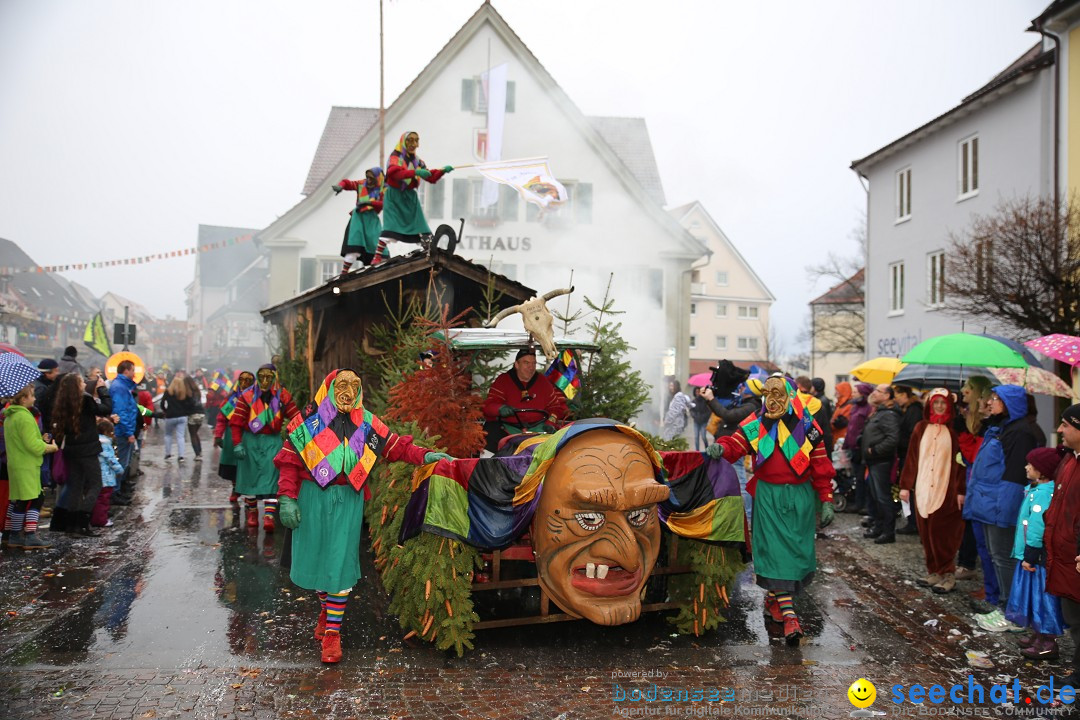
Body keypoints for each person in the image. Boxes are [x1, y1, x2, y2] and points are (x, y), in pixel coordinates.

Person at [274, 369, 453, 663]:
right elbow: (288, 462)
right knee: (321, 564)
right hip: (312, 500)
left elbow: (395, 446)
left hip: (348, 501)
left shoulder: (367, 424)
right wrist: (286, 499)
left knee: (340, 566)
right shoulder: (307, 421)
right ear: (329, 388)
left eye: (354, 385)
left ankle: (332, 635)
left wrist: (425, 455)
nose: (347, 391)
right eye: (341, 385)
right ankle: (325, 609)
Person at [707, 374, 835, 644]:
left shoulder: (807, 427)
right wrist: (722, 447)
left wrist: (826, 498)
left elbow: (821, 464)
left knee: (796, 558)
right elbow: (736, 443)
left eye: (779, 395)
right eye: (768, 395)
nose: (772, 401)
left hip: (799, 499)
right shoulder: (756, 424)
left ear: (790, 396)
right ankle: (790, 617)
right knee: (775, 555)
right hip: (767, 498)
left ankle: (777, 601)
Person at [965, 385, 1042, 632]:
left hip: (1000, 505)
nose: (990, 402)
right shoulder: (1003, 427)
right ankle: (1004, 606)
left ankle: (1013, 612)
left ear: (1009, 403)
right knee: (995, 555)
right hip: (990, 502)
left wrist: (1004, 510)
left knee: (1004, 557)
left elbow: (1014, 476)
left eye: (996, 399)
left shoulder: (1020, 432)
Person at [899, 388, 965, 593]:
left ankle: (948, 573)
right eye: (935, 403)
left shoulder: (955, 430)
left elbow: (961, 463)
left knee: (943, 532)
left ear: (949, 405)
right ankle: (933, 570)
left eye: (943, 403)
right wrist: (905, 485)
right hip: (923, 487)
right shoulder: (920, 428)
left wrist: (960, 489)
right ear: (929, 405)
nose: (939, 407)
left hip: (946, 488)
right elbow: (911, 457)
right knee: (926, 531)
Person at [1003, 447, 1064, 660]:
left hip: (1036, 557)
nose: (1026, 467)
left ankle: (1048, 641)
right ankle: (1038, 634)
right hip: (1029, 555)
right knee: (1032, 596)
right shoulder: (1035, 490)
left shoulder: (1044, 495)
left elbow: (1037, 527)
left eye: (1031, 465)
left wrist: (1030, 554)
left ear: (1044, 471)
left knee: (1042, 598)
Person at [230, 364, 300, 532]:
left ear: (274, 377)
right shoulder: (246, 397)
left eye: (269, 377)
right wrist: (237, 443)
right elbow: (236, 422)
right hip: (250, 442)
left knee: (272, 479)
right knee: (250, 479)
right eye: (261, 376)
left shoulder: (283, 395)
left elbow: (296, 417)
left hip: (272, 441)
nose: (265, 380)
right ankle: (252, 513)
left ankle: (268, 516)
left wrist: (301, 435)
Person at [1043, 404, 1080, 686]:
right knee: (1073, 619)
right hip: (1065, 552)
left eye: (1066, 425)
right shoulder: (1069, 459)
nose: (1059, 430)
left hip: (1075, 554)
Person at [373, 131, 452, 261]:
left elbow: (430, 177)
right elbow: (394, 173)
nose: (413, 144)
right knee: (390, 227)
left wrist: (442, 170)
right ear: (403, 141)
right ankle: (376, 258)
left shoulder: (418, 161)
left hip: (410, 198)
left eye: (416, 140)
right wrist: (415, 172)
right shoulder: (395, 157)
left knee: (422, 229)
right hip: (394, 196)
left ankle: (430, 255)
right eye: (410, 140)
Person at [51, 372, 113, 536]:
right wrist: (102, 390)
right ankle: (83, 522)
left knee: (76, 487)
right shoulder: (85, 399)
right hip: (88, 449)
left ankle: (72, 526)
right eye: (81, 381)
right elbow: (106, 409)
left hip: (72, 449)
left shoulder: (64, 401)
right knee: (96, 484)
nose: (85, 383)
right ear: (76, 386)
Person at [4, 384, 59, 549]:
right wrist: (50, 447)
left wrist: (39, 438)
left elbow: (23, 440)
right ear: (23, 399)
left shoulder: (9, 416)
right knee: (34, 498)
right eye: (32, 396)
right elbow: (32, 446)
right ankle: (29, 535)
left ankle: (11, 534)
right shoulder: (25, 417)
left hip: (15, 463)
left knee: (18, 499)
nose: (34, 399)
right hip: (27, 464)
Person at [481, 348, 569, 452]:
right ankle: (493, 465)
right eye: (526, 363)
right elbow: (488, 406)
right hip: (508, 429)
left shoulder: (543, 382)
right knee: (489, 433)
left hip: (538, 429)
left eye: (533, 363)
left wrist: (551, 423)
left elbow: (556, 408)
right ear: (517, 365)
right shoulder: (503, 381)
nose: (531, 367)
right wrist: (500, 409)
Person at [956, 375, 997, 587]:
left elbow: (974, 454)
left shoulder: (989, 425)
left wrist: (965, 431)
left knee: (981, 532)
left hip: (982, 482)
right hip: (973, 477)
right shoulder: (969, 418)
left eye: (968, 390)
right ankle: (967, 562)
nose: (964, 392)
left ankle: (969, 564)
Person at [703, 380, 763, 519]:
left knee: (741, 482)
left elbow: (728, 415)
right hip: (729, 447)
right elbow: (723, 410)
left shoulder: (751, 407)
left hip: (736, 447)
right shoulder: (743, 403)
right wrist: (711, 399)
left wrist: (711, 399)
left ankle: (747, 515)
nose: (741, 388)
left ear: (750, 391)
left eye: (744, 387)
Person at [861, 384, 902, 544]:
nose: (874, 393)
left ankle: (888, 531)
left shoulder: (888, 414)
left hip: (881, 461)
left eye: (878, 391)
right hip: (873, 461)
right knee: (875, 497)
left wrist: (875, 450)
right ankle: (878, 527)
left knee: (883, 497)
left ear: (887, 396)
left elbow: (893, 438)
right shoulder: (879, 412)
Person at [333, 167, 386, 273]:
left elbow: (384, 204)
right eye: (368, 178)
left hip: (372, 220)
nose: (369, 180)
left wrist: (369, 203)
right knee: (354, 245)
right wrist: (340, 186)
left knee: (376, 244)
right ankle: (344, 272)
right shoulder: (362, 184)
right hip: (359, 218)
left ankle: (379, 269)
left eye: (371, 178)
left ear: (378, 178)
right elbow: (347, 183)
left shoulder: (384, 189)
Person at [214, 371, 254, 503]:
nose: (244, 383)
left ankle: (248, 491)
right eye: (242, 380)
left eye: (248, 380)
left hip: (250, 435)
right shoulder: (230, 399)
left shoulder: (256, 398)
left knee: (248, 465)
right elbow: (221, 419)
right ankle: (235, 488)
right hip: (232, 436)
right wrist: (218, 435)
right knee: (233, 465)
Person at [894, 385, 925, 536]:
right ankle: (911, 520)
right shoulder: (909, 409)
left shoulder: (914, 410)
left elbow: (913, 434)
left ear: (905, 395)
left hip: (909, 454)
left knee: (910, 488)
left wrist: (901, 442)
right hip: (905, 452)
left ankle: (913, 522)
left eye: (898, 394)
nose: (896, 398)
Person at [842, 383, 874, 514]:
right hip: (852, 447)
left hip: (861, 447)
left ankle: (864, 504)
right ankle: (858, 502)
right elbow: (851, 428)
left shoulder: (868, 408)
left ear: (863, 394)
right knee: (857, 477)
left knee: (862, 478)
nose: (853, 394)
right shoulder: (855, 407)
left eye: (855, 392)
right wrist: (845, 444)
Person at [109, 360, 140, 488]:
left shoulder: (122, 386)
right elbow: (121, 411)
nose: (134, 373)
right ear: (126, 370)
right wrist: (128, 432)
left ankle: (120, 488)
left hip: (125, 430)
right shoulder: (120, 387)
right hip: (123, 431)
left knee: (124, 462)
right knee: (122, 462)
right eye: (133, 370)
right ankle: (116, 490)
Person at [92, 419, 124, 528]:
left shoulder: (95, 441)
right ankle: (101, 520)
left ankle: (97, 518)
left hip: (97, 475)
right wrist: (119, 469)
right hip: (106, 477)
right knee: (103, 499)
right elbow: (111, 459)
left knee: (98, 499)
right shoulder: (105, 444)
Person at [161, 374, 196, 463]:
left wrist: (165, 411)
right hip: (182, 416)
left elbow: (162, 403)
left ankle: (168, 454)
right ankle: (181, 456)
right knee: (180, 436)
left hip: (170, 416)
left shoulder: (168, 391)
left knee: (168, 435)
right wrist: (186, 412)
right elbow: (190, 403)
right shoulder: (184, 392)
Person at [33, 358, 60, 433]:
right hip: (43, 428)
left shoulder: (38, 383)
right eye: (56, 371)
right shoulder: (42, 389)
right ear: (47, 373)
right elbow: (39, 410)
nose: (58, 373)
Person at [183, 375, 206, 460]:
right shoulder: (197, 391)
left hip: (193, 414)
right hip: (201, 413)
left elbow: (188, 405)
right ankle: (200, 451)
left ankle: (197, 454)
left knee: (192, 434)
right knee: (196, 433)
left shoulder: (187, 393)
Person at [689, 387, 712, 451]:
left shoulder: (705, 401)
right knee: (696, 437)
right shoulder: (693, 401)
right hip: (696, 421)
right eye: (696, 392)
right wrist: (695, 416)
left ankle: (707, 449)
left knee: (703, 437)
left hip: (703, 422)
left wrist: (704, 417)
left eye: (698, 391)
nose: (697, 393)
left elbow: (709, 411)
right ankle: (697, 451)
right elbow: (691, 410)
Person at [830, 381, 854, 445]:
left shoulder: (849, 406)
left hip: (842, 439)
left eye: (837, 391)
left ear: (843, 391)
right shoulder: (841, 405)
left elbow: (840, 423)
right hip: (837, 438)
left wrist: (832, 422)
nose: (835, 393)